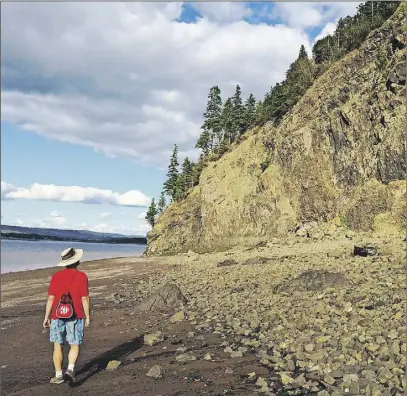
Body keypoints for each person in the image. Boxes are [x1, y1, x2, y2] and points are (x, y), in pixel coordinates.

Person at [43, 247, 90, 384]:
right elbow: (84, 298)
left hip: (57, 316)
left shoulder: (56, 276)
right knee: (74, 344)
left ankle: (58, 375)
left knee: (57, 345)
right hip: (75, 315)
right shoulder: (82, 276)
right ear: (77, 260)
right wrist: (87, 316)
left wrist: (46, 316)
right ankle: (70, 369)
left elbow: (51, 298)